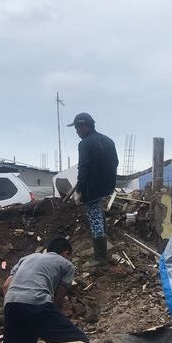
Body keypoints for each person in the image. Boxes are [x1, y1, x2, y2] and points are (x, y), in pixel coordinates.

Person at [1, 237, 89, 343]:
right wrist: (54, 318)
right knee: (78, 342)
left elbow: (6, 286)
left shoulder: (27, 258)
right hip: (37, 303)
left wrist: (12, 308)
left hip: (11, 303)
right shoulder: (66, 264)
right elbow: (59, 296)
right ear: (66, 253)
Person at [69, 112, 119, 268]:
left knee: (94, 219)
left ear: (85, 126)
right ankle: (104, 249)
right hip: (107, 187)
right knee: (99, 213)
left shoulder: (84, 144)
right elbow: (116, 162)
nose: (76, 131)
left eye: (78, 128)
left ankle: (100, 259)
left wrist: (79, 191)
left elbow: (84, 169)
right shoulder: (108, 141)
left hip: (92, 190)